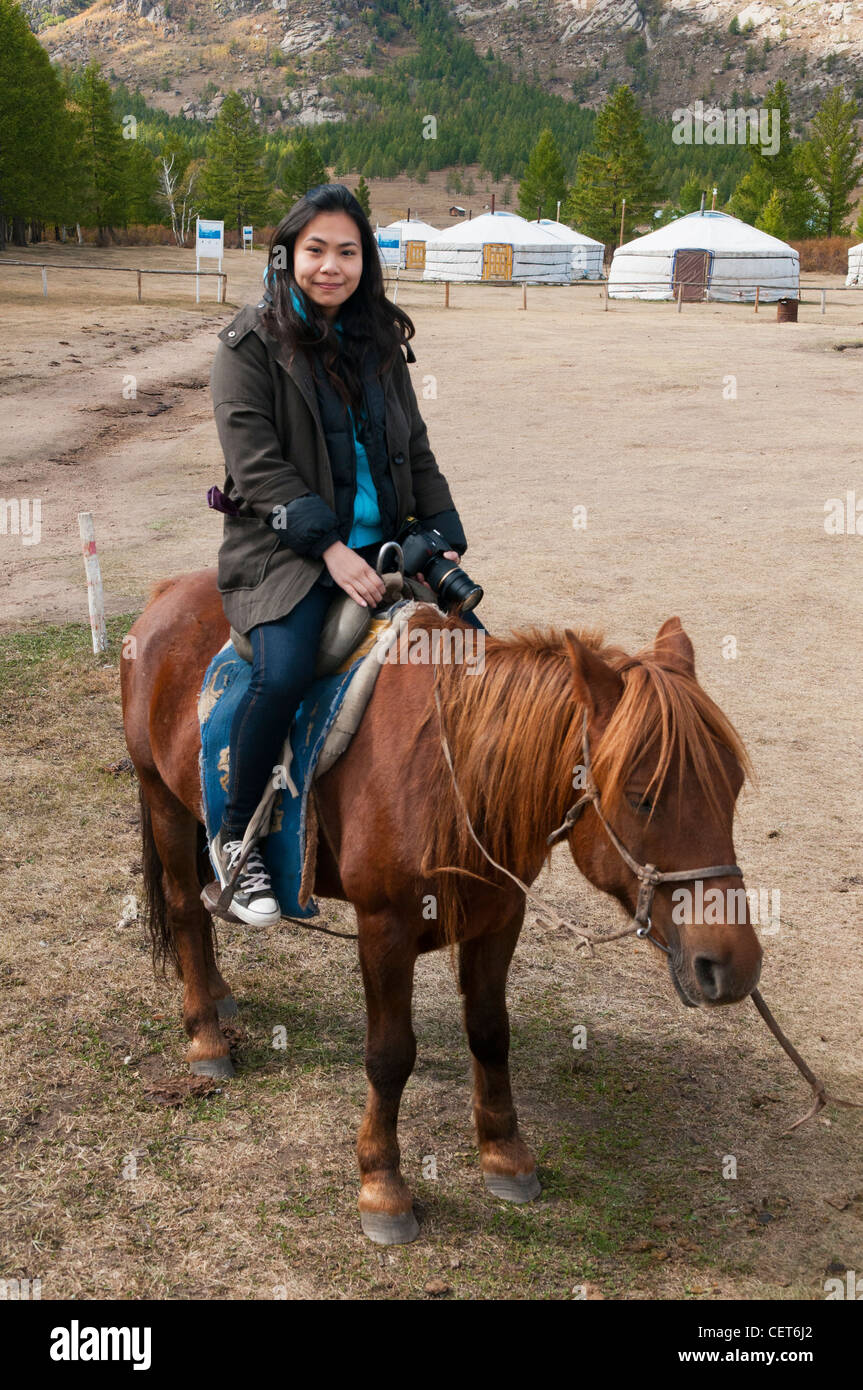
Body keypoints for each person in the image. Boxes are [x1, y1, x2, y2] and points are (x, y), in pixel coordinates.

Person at [207, 183, 471, 926]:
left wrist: (441, 525)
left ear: (366, 261)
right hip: (282, 553)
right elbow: (256, 468)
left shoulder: (379, 343)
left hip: (383, 547)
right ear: (287, 255)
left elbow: (412, 447)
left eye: (347, 252)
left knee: (472, 662)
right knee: (284, 670)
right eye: (316, 250)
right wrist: (327, 548)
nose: (331, 266)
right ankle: (235, 841)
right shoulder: (247, 345)